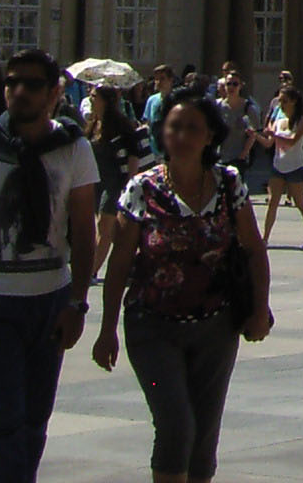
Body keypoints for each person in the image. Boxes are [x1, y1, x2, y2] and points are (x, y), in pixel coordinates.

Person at [92, 87, 273, 483]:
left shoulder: (228, 184)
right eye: (174, 126)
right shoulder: (142, 188)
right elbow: (119, 263)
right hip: (152, 330)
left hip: (215, 329)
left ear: (210, 136)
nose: (181, 136)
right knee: (175, 424)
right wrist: (106, 330)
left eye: (192, 128)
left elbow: (254, 250)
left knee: (204, 435)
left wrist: (260, 309)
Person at [0, 47, 99, 483]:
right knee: (4, 423)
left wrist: (77, 303)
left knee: (34, 421)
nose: (18, 91)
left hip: (50, 301)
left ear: (54, 93)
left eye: (31, 84)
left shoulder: (73, 148)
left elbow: (83, 230)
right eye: (12, 82)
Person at [83, 83, 149, 280]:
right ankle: (130, 264)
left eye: (94, 96)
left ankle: (90, 272)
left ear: (105, 100)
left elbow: (133, 154)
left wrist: (130, 185)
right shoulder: (94, 123)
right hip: (98, 181)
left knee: (104, 227)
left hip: (116, 182)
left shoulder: (119, 124)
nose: (91, 99)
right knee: (109, 230)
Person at [258, 83, 303, 252]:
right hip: (278, 166)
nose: (281, 104)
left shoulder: (302, 120)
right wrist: (255, 135)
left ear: (294, 101)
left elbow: (293, 141)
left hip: (295, 167)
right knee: (273, 202)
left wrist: (274, 134)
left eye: (284, 101)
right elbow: (269, 143)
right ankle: (265, 238)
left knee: (299, 202)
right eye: (279, 101)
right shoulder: (278, 120)